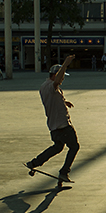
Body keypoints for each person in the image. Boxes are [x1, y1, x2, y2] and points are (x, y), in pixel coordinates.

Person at [26, 54, 79, 183]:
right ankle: (64, 172)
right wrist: (65, 64)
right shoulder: (52, 85)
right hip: (63, 126)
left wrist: (64, 101)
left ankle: (34, 162)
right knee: (74, 147)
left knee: (58, 147)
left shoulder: (44, 87)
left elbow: (52, 98)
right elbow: (56, 83)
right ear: (55, 75)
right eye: (61, 77)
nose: (62, 80)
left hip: (53, 126)